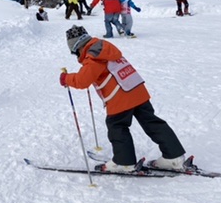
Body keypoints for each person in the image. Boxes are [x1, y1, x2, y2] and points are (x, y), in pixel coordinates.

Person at [60, 25, 187, 172]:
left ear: (79, 46)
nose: (77, 56)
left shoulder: (94, 56)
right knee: (152, 123)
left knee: (117, 126)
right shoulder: (104, 48)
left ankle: (124, 162)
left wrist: (66, 78)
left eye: (75, 52)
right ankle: (174, 157)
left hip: (121, 96)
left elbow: (82, 81)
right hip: (137, 90)